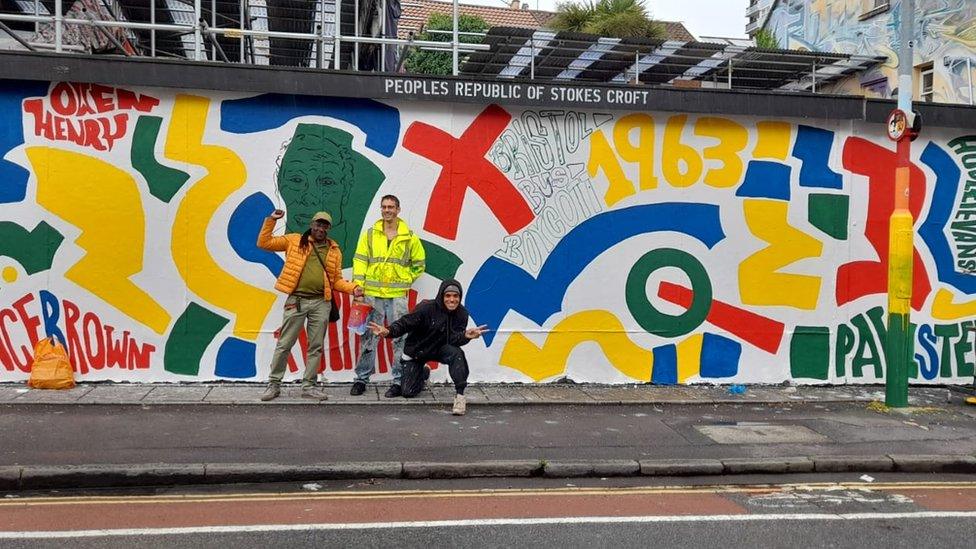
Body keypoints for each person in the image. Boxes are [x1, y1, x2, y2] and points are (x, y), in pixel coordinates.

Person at [257, 209, 363, 401]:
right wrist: (271, 220)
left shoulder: (333, 250)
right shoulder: (294, 240)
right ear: (312, 224)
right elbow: (264, 242)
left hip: (321, 303)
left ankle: (309, 386)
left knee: (315, 346)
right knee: (284, 344)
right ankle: (273, 385)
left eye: (324, 225)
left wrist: (353, 288)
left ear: (328, 228)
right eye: (318, 224)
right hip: (296, 301)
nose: (320, 228)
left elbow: (336, 280)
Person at [367, 279, 488, 416]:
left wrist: (465, 336)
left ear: (460, 297)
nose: (452, 300)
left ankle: (460, 396)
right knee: (407, 392)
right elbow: (405, 323)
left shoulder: (462, 313)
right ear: (441, 296)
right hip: (418, 350)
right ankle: (423, 373)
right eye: (448, 296)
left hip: (441, 350)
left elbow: (454, 340)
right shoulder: (426, 308)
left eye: (456, 296)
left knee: (457, 353)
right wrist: (389, 331)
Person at [349, 195, 425, 397]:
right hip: (372, 295)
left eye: (391, 207)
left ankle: (399, 382)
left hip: (397, 295)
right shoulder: (371, 234)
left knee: (399, 338)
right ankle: (361, 379)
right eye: (384, 207)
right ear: (380, 209)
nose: (387, 210)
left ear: (398, 209)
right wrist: (358, 287)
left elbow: (419, 264)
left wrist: (404, 277)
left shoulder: (409, 237)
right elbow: (360, 260)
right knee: (368, 338)